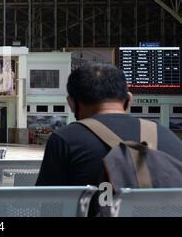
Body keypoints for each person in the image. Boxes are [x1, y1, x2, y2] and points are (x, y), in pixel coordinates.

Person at [35, 63, 182, 213]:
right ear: (128, 99)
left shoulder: (64, 139)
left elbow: (48, 206)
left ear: (72, 103)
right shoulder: (166, 135)